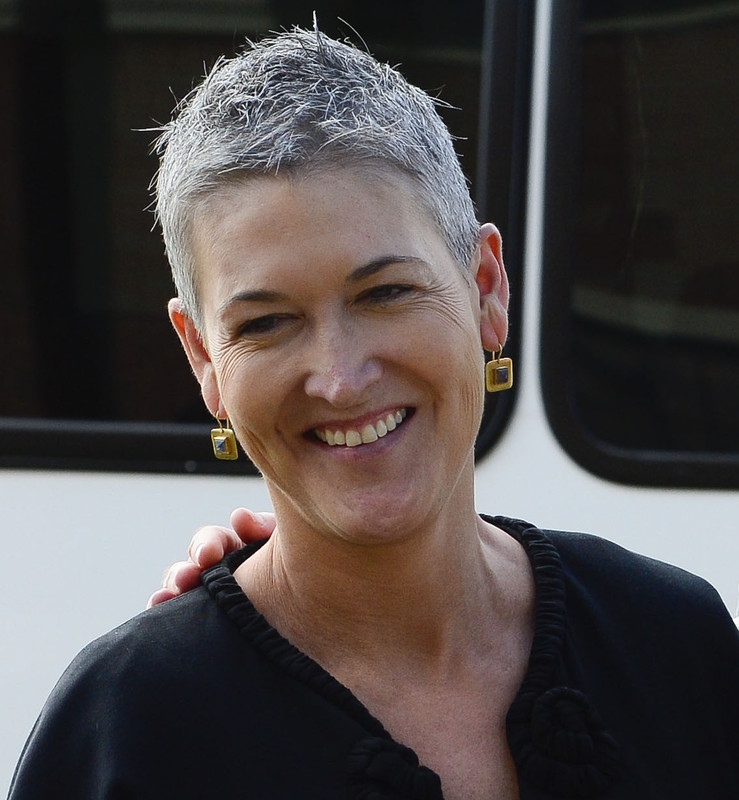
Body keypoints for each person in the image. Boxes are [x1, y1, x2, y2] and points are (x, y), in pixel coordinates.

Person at [9, 26, 739, 800]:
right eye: (265, 322)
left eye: (385, 293)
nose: (340, 380)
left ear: (486, 288)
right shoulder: (131, 727)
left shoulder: (673, 642)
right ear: (202, 357)